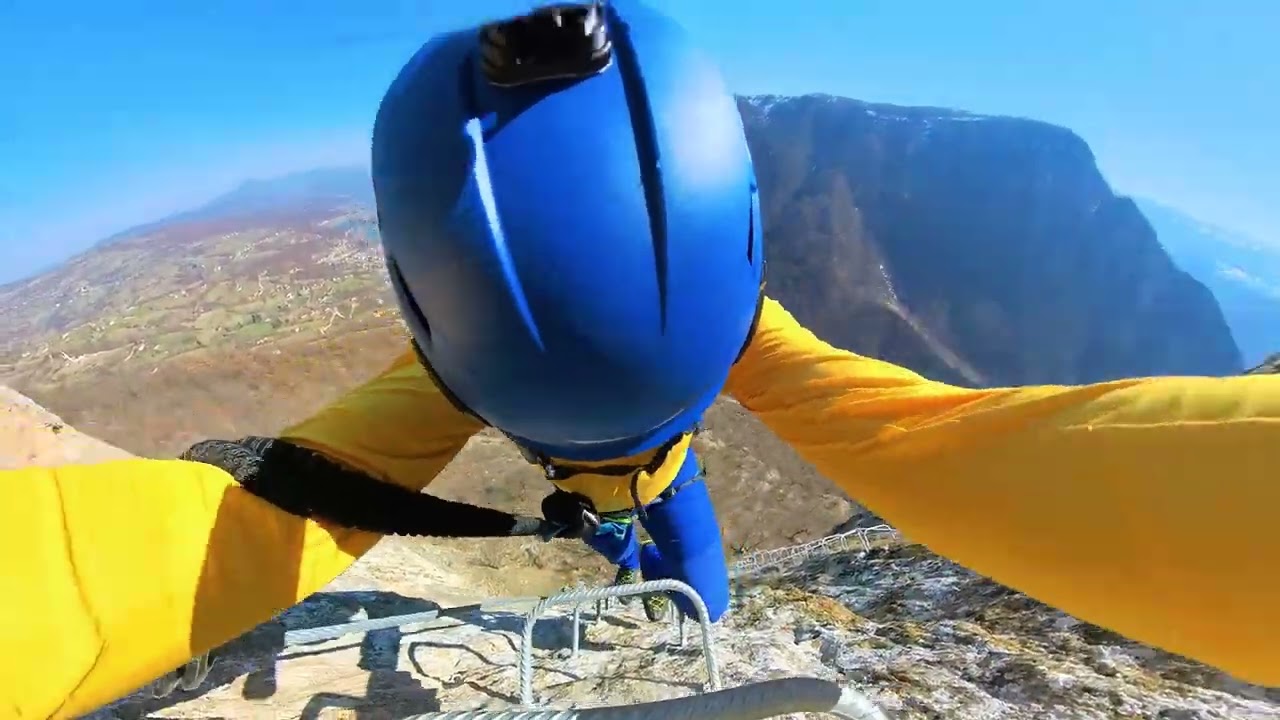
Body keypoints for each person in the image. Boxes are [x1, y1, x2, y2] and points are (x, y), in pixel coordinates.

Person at [2, 3, 1278, 719]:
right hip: (649, 459)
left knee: (641, 533)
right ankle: (690, 623)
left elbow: (213, 526)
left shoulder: (472, 371)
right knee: (667, 539)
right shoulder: (731, 341)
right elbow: (946, 442)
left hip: (579, 444)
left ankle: (681, 613)